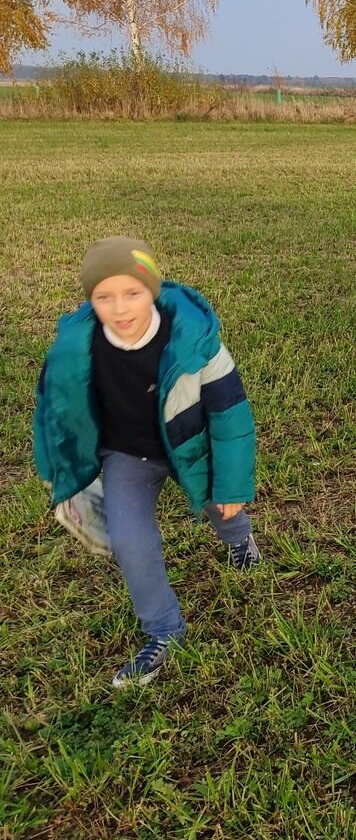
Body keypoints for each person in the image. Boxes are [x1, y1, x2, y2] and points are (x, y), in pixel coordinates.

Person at [33, 237, 260, 687]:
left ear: (151, 290)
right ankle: (164, 630)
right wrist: (58, 470)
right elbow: (53, 413)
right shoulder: (75, 349)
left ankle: (239, 541)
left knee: (222, 506)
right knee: (130, 542)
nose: (120, 308)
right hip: (127, 456)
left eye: (132, 293)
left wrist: (232, 487)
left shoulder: (195, 340)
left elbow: (232, 415)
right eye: (104, 296)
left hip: (191, 447)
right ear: (90, 298)